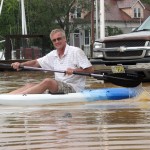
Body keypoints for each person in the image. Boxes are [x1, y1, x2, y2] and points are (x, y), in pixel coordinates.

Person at [9, 29, 94, 94]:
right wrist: (20, 64)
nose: (57, 42)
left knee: (48, 81)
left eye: (59, 39)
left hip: (74, 89)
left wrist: (74, 70)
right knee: (30, 85)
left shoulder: (76, 51)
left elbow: (90, 70)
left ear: (65, 39)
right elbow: (36, 62)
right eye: (54, 40)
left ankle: (19, 97)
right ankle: (7, 96)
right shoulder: (53, 54)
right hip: (58, 87)